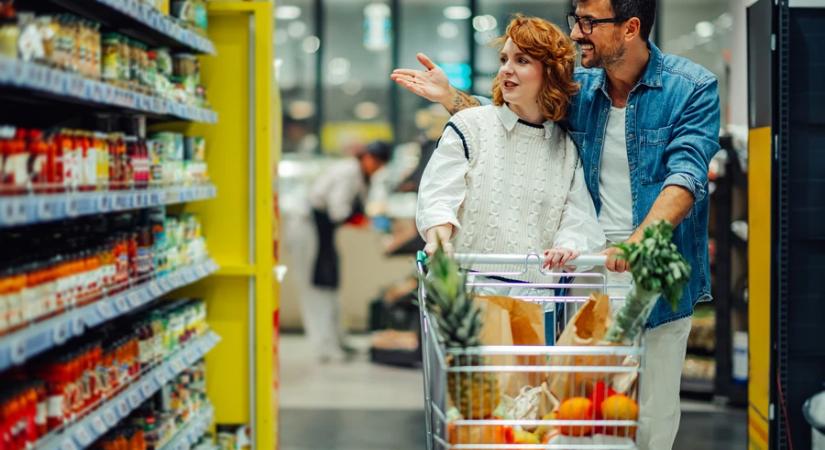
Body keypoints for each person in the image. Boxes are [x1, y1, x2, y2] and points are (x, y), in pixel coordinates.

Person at [392, 0, 720, 448]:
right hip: (582, 271)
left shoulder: (691, 88)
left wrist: (636, 247)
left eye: (589, 21)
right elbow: (512, 124)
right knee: (573, 410)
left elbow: (686, 176)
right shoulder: (581, 87)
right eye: (576, 20)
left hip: (652, 262)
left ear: (630, 28)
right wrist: (454, 100)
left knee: (650, 414)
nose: (578, 31)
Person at [416, 15, 605, 286]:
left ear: (551, 72)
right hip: (464, 295)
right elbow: (439, 194)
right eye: (504, 59)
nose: (506, 69)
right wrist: (439, 239)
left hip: (533, 302)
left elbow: (578, 217)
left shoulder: (565, 149)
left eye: (522, 61)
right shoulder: (468, 126)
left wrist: (568, 246)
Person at [297, 141, 392, 362]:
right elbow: (338, 211)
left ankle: (337, 340)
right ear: (367, 157)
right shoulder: (348, 172)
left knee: (330, 283)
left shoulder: (358, 174)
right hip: (308, 227)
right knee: (316, 288)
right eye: (375, 161)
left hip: (324, 231)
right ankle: (324, 347)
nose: (376, 167)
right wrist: (365, 222)